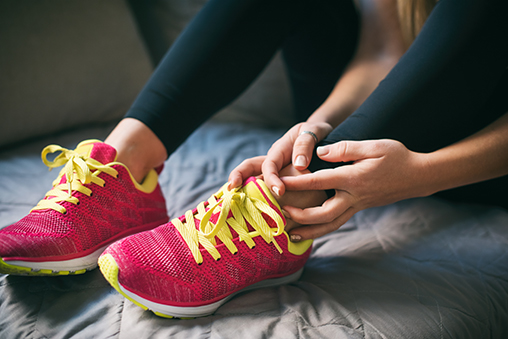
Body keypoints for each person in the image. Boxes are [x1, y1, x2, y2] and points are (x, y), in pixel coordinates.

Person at [1, 0, 507, 317]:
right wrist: (316, 130)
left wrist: (419, 176)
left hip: (476, 156)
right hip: (391, 114)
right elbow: (382, 56)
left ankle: (290, 205)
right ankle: (126, 166)